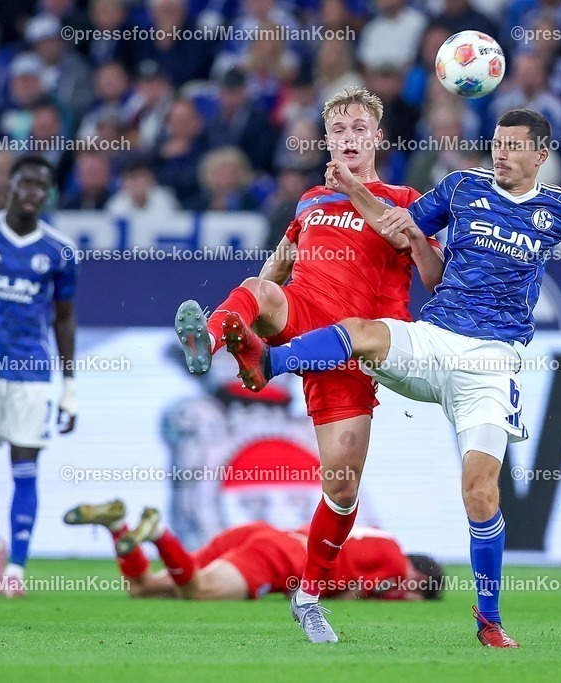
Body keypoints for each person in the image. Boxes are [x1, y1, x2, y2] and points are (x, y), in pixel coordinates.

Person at [220, 109, 561, 647]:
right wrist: (360, 192)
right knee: (360, 332)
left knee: (480, 493)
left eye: (514, 146)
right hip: (435, 338)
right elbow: (395, 226)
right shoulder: (461, 188)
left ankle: (490, 622)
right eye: (497, 143)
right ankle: (267, 363)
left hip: (493, 363)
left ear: (541, 156)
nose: (501, 153)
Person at [174, 86, 444, 644]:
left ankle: (310, 595)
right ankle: (211, 344)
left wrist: (389, 215)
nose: (348, 137)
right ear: (327, 139)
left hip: (360, 345)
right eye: (338, 129)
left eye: (358, 128)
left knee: (342, 486)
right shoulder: (309, 202)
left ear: (377, 137)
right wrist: (250, 307)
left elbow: (430, 270)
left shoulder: (403, 196)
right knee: (259, 288)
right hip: (307, 310)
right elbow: (280, 262)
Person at [0, 155, 79, 598]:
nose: (33, 193)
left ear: (48, 194)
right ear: (11, 185)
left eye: (42, 186)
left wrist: (70, 387)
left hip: (31, 371)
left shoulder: (59, 251)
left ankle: (17, 570)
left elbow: (64, 318)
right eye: (26, 183)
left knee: (26, 467)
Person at [63, 500, 444, 601]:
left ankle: (117, 526)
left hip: (263, 535)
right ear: (419, 576)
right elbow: (350, 595)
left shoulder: (377, 536)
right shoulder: (394, 562)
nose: (407, 592)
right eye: (416, 588)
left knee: (143, 588)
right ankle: (160, 532)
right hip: (282, 557)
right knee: (199, 592)